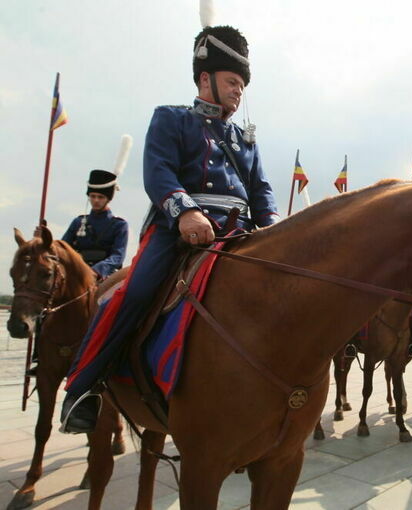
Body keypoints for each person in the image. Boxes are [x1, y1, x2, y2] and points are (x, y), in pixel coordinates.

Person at [60, 23, 279, 433]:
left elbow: (261, 191)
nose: (238, 91)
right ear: (205, 78)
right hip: (178, 232)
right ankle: (82, 388)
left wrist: (274, 229)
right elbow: (158, 171)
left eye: (242, 85)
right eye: (232, 81)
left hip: (239, 234)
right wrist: (185, 212)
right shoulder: (171, 119)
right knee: (135, 292)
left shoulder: (245, 140)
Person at [62, 170, 128, 280]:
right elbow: (63, 248)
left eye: (100, 197)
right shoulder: (78, 222)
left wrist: (96, 270)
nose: (96, 200)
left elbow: (118, 256)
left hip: (104, 276)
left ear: (108, 199)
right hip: (76, 274)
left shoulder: (119, 225)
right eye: (92, 196)